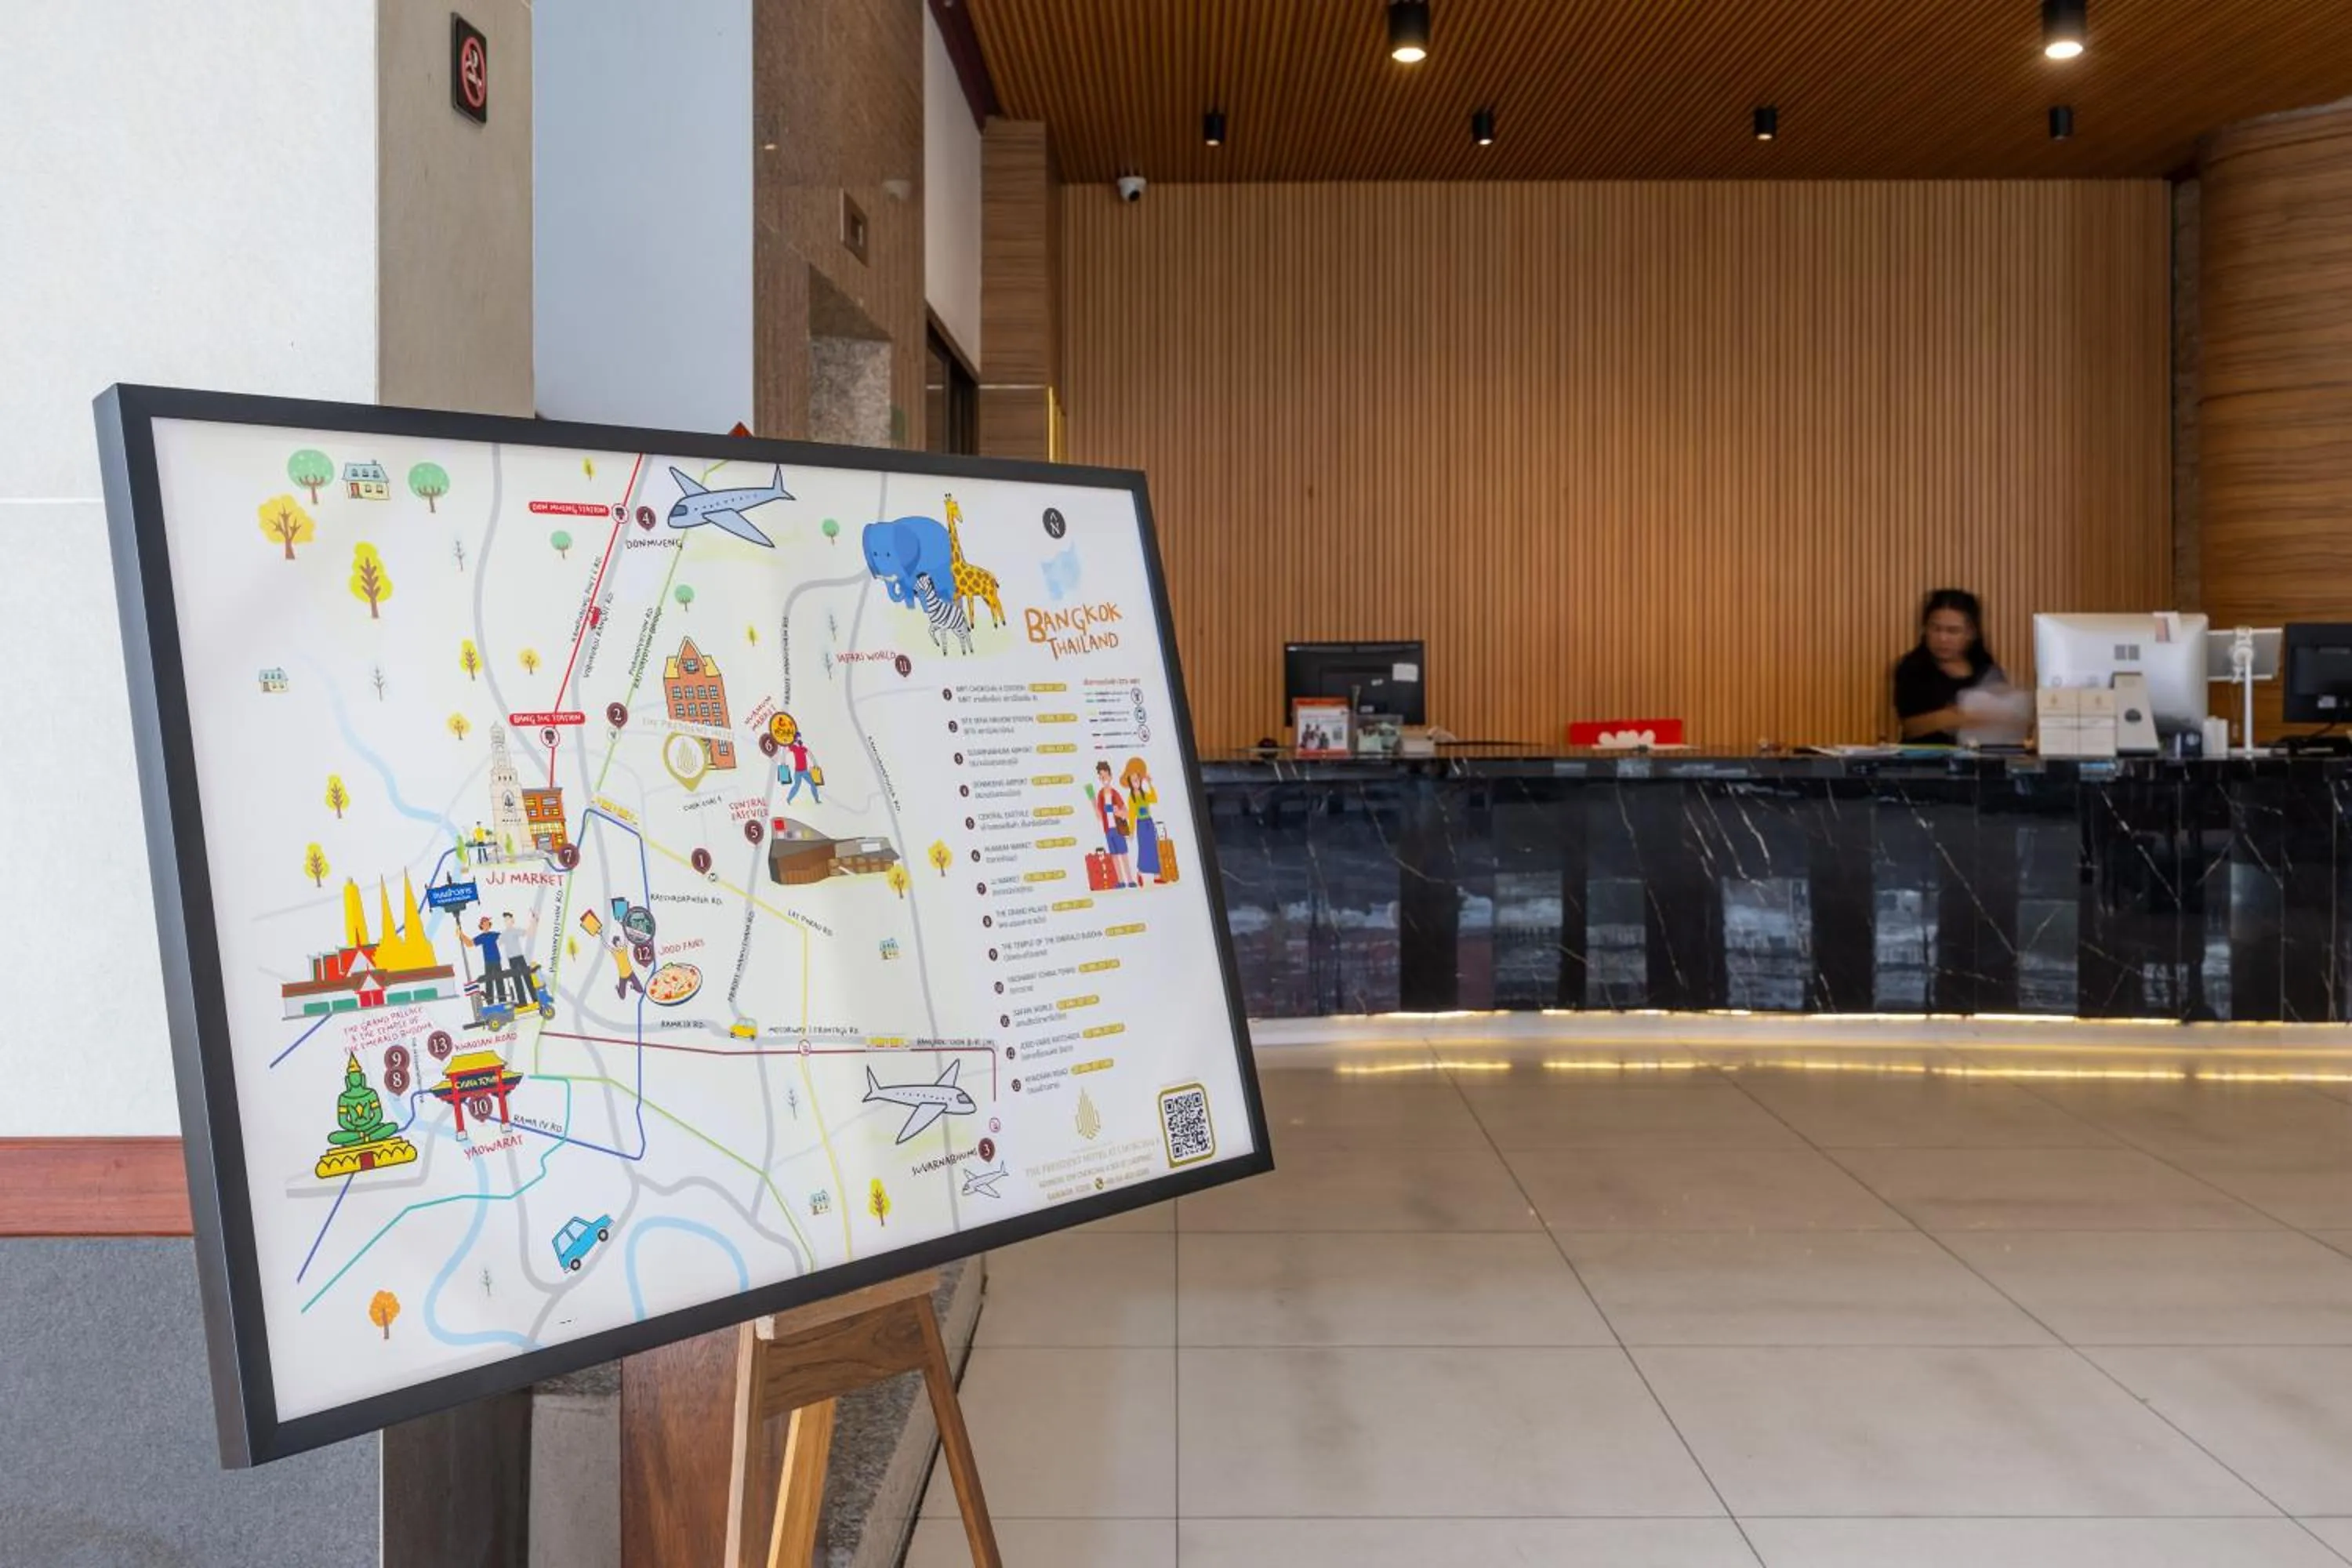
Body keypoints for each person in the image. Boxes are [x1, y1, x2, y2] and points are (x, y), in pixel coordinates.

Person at [1892, 588, 2015, 746]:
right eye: (1936, 629)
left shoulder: (1985, 668)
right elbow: (1911, 726)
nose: (1943, 638)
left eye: (1953, 631)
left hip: (1979, 757)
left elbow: (2006, 716)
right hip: (1925, 757)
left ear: (1971, 633)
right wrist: (1957, 717)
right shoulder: (1912, 667)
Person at [1091, 760, 1134, 887]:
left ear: (1110, 776)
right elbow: (1099, 816)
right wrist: (1094, 805)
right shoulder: (1100, 795)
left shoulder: (1115, 794)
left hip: (1118, 829)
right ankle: (1121, 881)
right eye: (1101, 776)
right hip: (1108, 830)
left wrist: (1118, 812)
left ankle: (1130, 880)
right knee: (1114, 855)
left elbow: (1126, 813)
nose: (1103, 779)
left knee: (1123, 854)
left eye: (1105, 776)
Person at [1121, 757, 1161, 884]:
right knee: (1144, 849)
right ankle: (1140, 872)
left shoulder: (1144, 795)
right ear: (1130, 783)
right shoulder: (1131, 798)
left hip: (1149, 823)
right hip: (1141, 825)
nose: (1137, 782)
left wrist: (1150, 784)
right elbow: (1132, 816)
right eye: (1134, 780)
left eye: (1138, 779)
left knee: (1153, 848)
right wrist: (1131, 832)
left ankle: (1157, 876)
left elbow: (1154, 799)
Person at [499, 911, 539, 1011]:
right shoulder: (504, 934)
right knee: (517, 980)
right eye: (505, 920)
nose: (507, 921)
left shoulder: (515, 930)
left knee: (527, 977)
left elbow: (528, 932)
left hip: (519, 957)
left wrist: (533, 921)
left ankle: (535, 999)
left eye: (508, 919)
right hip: (511, 959)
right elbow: (498, 943)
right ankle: (522, 1002)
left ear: (512, 920)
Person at [470, 916, 506, 1005]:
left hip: (497, 960)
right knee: (489, 981)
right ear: (481, 926)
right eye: (484, 923)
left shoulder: (494, 934)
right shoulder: (481, 937)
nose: (486, 925)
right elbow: (470, 943)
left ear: (489, 925)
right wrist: (461, 935)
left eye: (487, 923)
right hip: (488, 962)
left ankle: (503, 1001)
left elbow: (505, 936)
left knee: (499, 980)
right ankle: (490, 1002)